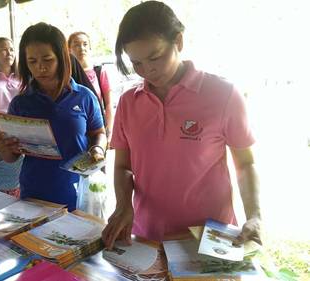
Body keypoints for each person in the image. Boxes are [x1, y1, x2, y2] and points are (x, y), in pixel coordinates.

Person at [101, 1, 261, 248]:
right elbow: (123, 166)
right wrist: (124, 204)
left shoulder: (222, 95)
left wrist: (254, 216)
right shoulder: (128, 103)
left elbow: (246, 162)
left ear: (179, 42)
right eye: (137, 63)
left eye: (155, 57)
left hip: (208, 239)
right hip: (147, 237)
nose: (148, 70)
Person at [0, 22, 107, 211]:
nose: (40, 68)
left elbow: (99, 132)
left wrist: (98, 149)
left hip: (79, 192)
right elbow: (12, 157)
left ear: (62, 58)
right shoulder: (20, 104)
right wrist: (3, 148)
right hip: (35, 194)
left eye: (47, 59)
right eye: (32, 62)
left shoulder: (84, 96)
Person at [68, 32, 114, 139]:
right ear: (69, 49)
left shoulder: (99, 72)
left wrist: (109, 132)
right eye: (76, 45)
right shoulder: (67, 75)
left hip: (99, 128)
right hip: (76, 131)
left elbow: (108, 104)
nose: (81, 48)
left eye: (85, 44)